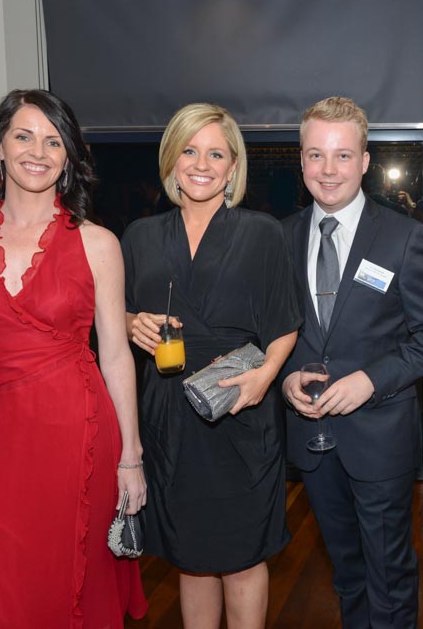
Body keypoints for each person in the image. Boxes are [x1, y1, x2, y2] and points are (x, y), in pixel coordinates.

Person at [0, 89, 147, 626]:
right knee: (0, 581)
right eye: (23, 136)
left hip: (77, 432)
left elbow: (115, 355)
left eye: (54, 141)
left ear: (68, 156)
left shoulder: (97, 243)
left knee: (68, 576)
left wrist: (131, 456)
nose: (38, 151)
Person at [122, 103, 300, 629]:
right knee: (191, 558)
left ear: (233, 166)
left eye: (216, 154)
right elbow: (113, 316)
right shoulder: (140, 236)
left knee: (243, 557)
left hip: (239, 410)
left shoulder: (262, 232)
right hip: (168, 417)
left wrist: (264, 377)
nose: (201, 164)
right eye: (189, 151)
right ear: (171, 160)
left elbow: (285, 323)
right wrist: (132, 322)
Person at [280, 96, 423, 628]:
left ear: (365, 162)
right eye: (316, 155)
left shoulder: (403, 237)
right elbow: (268, 335)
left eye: (343, 155)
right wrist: (283, 378)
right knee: (347, 572)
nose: (328, 170)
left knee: (389, 573)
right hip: (311, 438)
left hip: (379, 437)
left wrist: (369, 381)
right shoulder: (280, 237)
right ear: (302, 161)